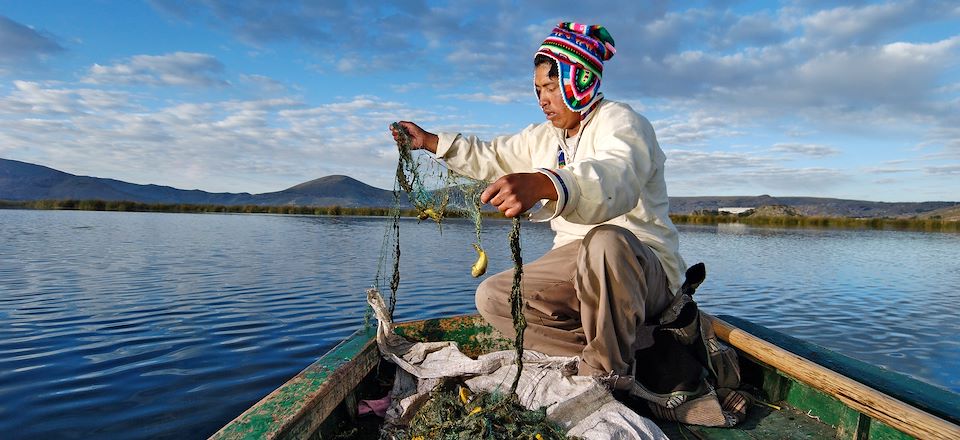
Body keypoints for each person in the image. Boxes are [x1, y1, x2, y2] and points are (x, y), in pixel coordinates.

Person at [390, 22, 686, 380]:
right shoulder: (543, 137)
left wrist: (546, 182)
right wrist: (432, 142)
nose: (543, 99)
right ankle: (622, 349)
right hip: (576, 261)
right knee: (494, 298)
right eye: (537, 89)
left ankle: (606, 375)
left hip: (641, 268)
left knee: (605, 240)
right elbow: (491, 156)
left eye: (551, 86)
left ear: (581, 81)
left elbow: (615, 176)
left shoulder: (623, 123)